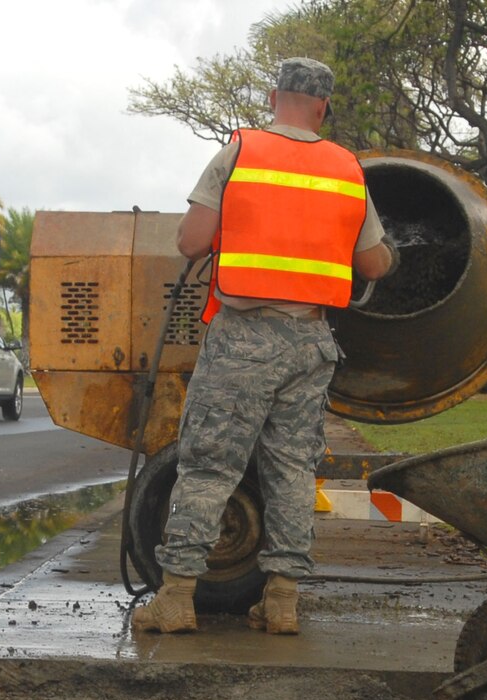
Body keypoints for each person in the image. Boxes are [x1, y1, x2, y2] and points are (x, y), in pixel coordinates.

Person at [132, 56, 394, 637]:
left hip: (243, 340)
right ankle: (282, 602)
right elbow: (374, 261)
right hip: (310, 344)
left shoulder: (240, 154)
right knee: (293, 470)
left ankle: (176, 600)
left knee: (207, 467)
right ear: (323, 107)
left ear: (274, 96)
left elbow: (193, 241)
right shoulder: (347, 169)